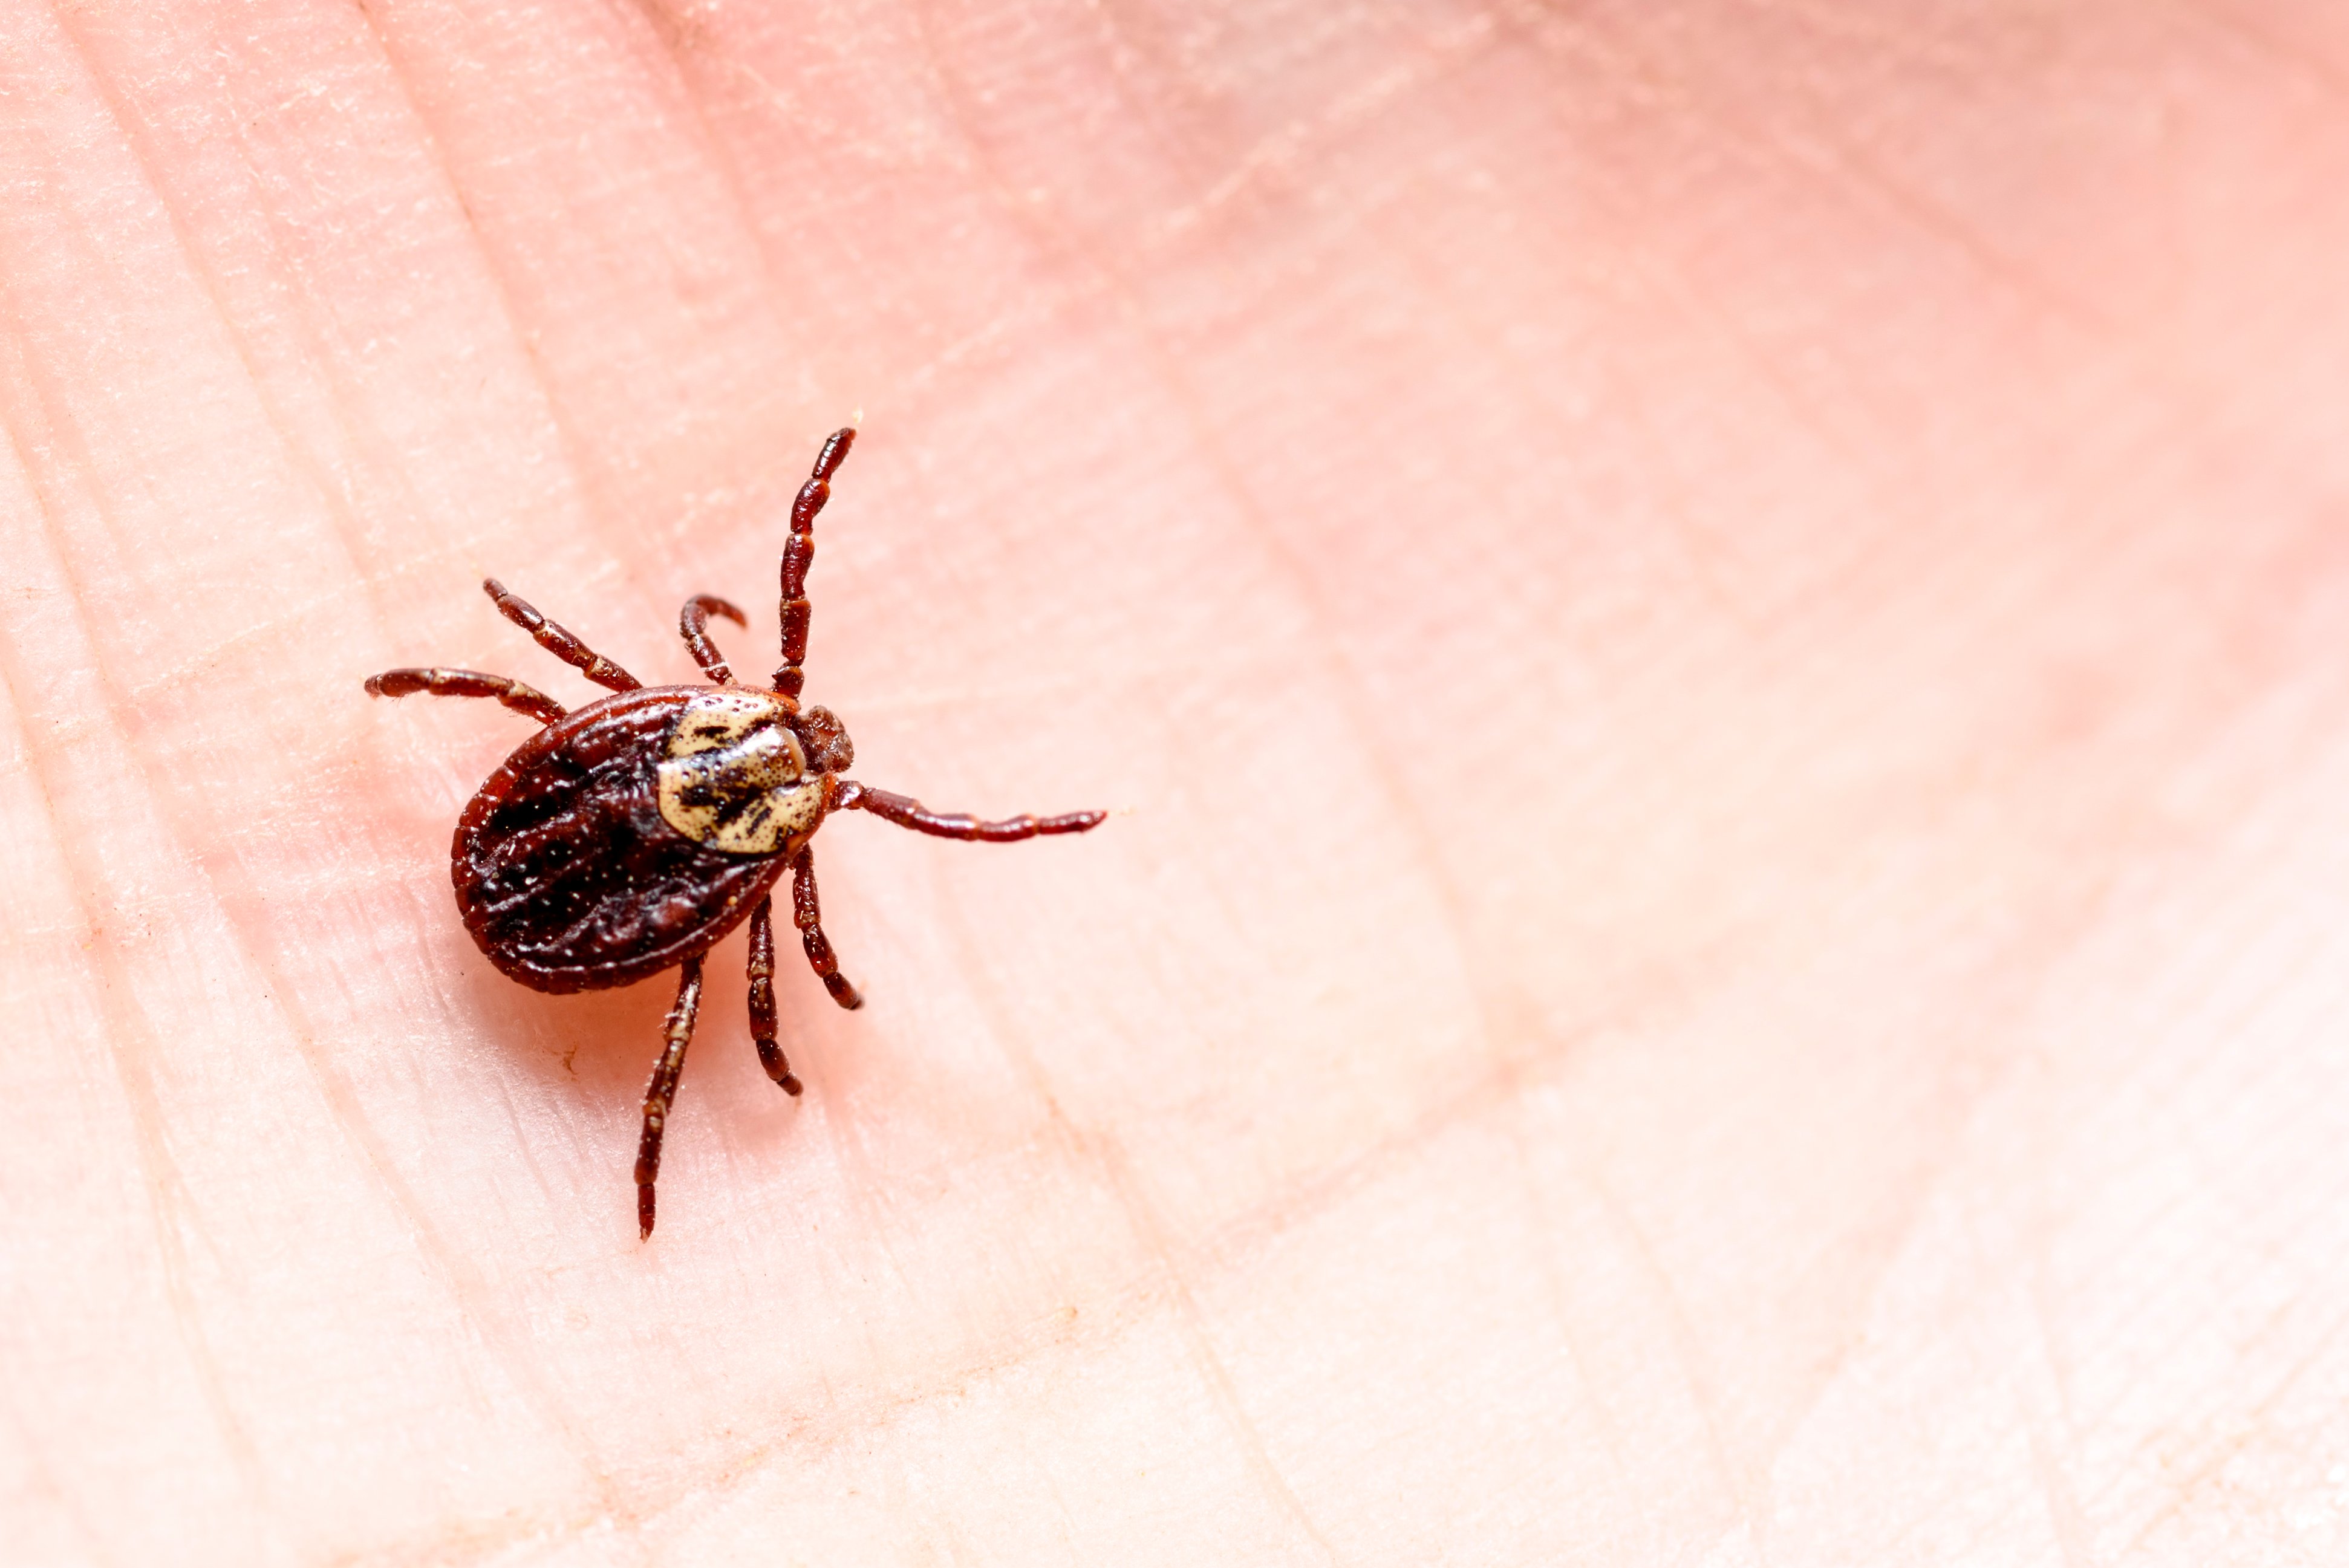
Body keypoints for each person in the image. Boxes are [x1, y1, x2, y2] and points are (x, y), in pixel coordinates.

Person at [5, 2, 2344, 1560]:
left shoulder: (635, 718)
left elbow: (566, 717)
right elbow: (723, 977)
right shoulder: (719, 843)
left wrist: (614, 769)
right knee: (688, 1014)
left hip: (528, 900)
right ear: (696, 695)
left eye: (778, 761)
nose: (794, 748)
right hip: (545, 914)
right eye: (767, 725)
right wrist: (750, 992)